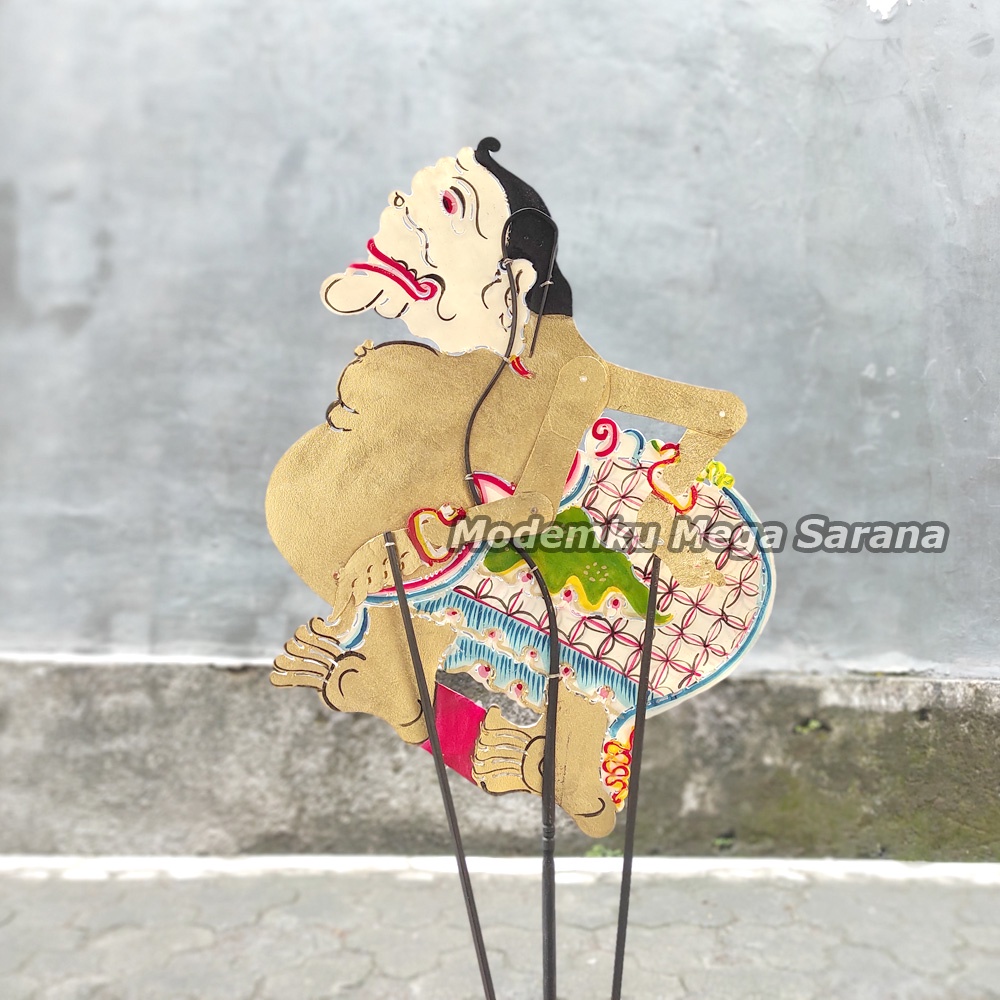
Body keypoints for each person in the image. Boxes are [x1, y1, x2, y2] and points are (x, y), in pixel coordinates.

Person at [266, 138, 749, 835]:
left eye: (448, 219)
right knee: (442, 603)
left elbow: (542, 504)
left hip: (571, 542)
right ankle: (402, 687)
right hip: (482, 538)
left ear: (514, 276)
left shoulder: (568, 369)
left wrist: (667, 491)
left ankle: (567, 760)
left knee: (578, 628)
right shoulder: (479, 359)